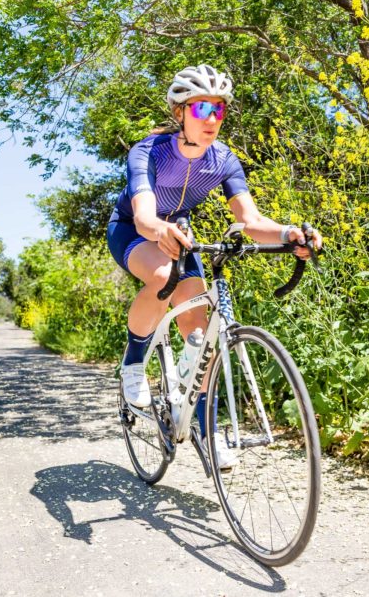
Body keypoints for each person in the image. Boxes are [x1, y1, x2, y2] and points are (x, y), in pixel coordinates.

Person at [107, 64, 323, 469]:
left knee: (200, 330)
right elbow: (144, 216)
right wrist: (159, 231)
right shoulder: (149, 151)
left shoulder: (223, 160)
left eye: (219, 111)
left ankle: (205, 428)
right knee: (161, 275)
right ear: (179, 113)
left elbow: (252, 222)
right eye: (202, 109)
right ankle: (134, 363)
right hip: (135, 231)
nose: (212, 120)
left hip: (181, 233)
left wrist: (289, 233)